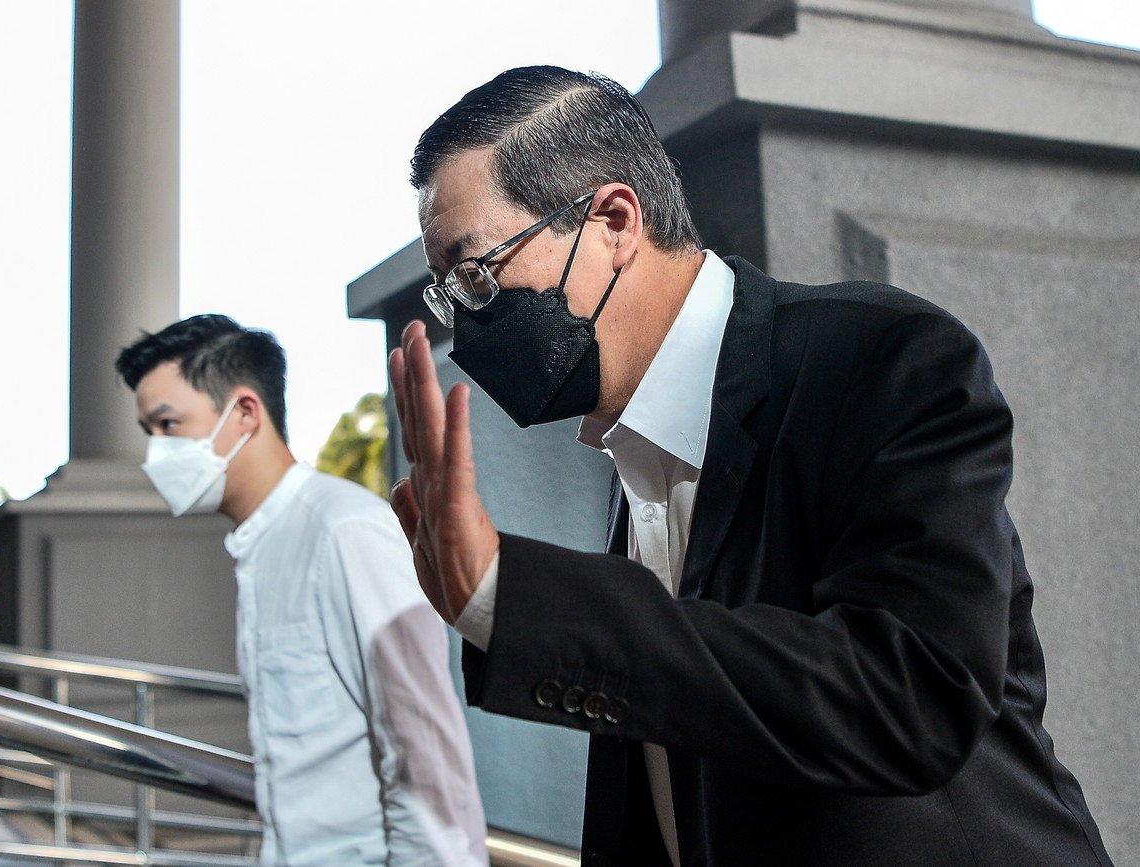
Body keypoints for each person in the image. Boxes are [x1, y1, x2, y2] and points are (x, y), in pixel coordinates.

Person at [387, 66, 1111, 866]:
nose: (469, 324)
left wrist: (505, 593)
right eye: (448, 294)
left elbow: (911, 696)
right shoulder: (632, 453)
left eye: (479, 274)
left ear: (616, 220)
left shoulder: (879, 360)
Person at [115, 314, 487, 866]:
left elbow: (425, 758)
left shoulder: (343, 531)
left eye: (168, 425)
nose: (156, 452)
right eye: (150, 432)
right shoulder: (261, 544)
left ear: (244, 413)